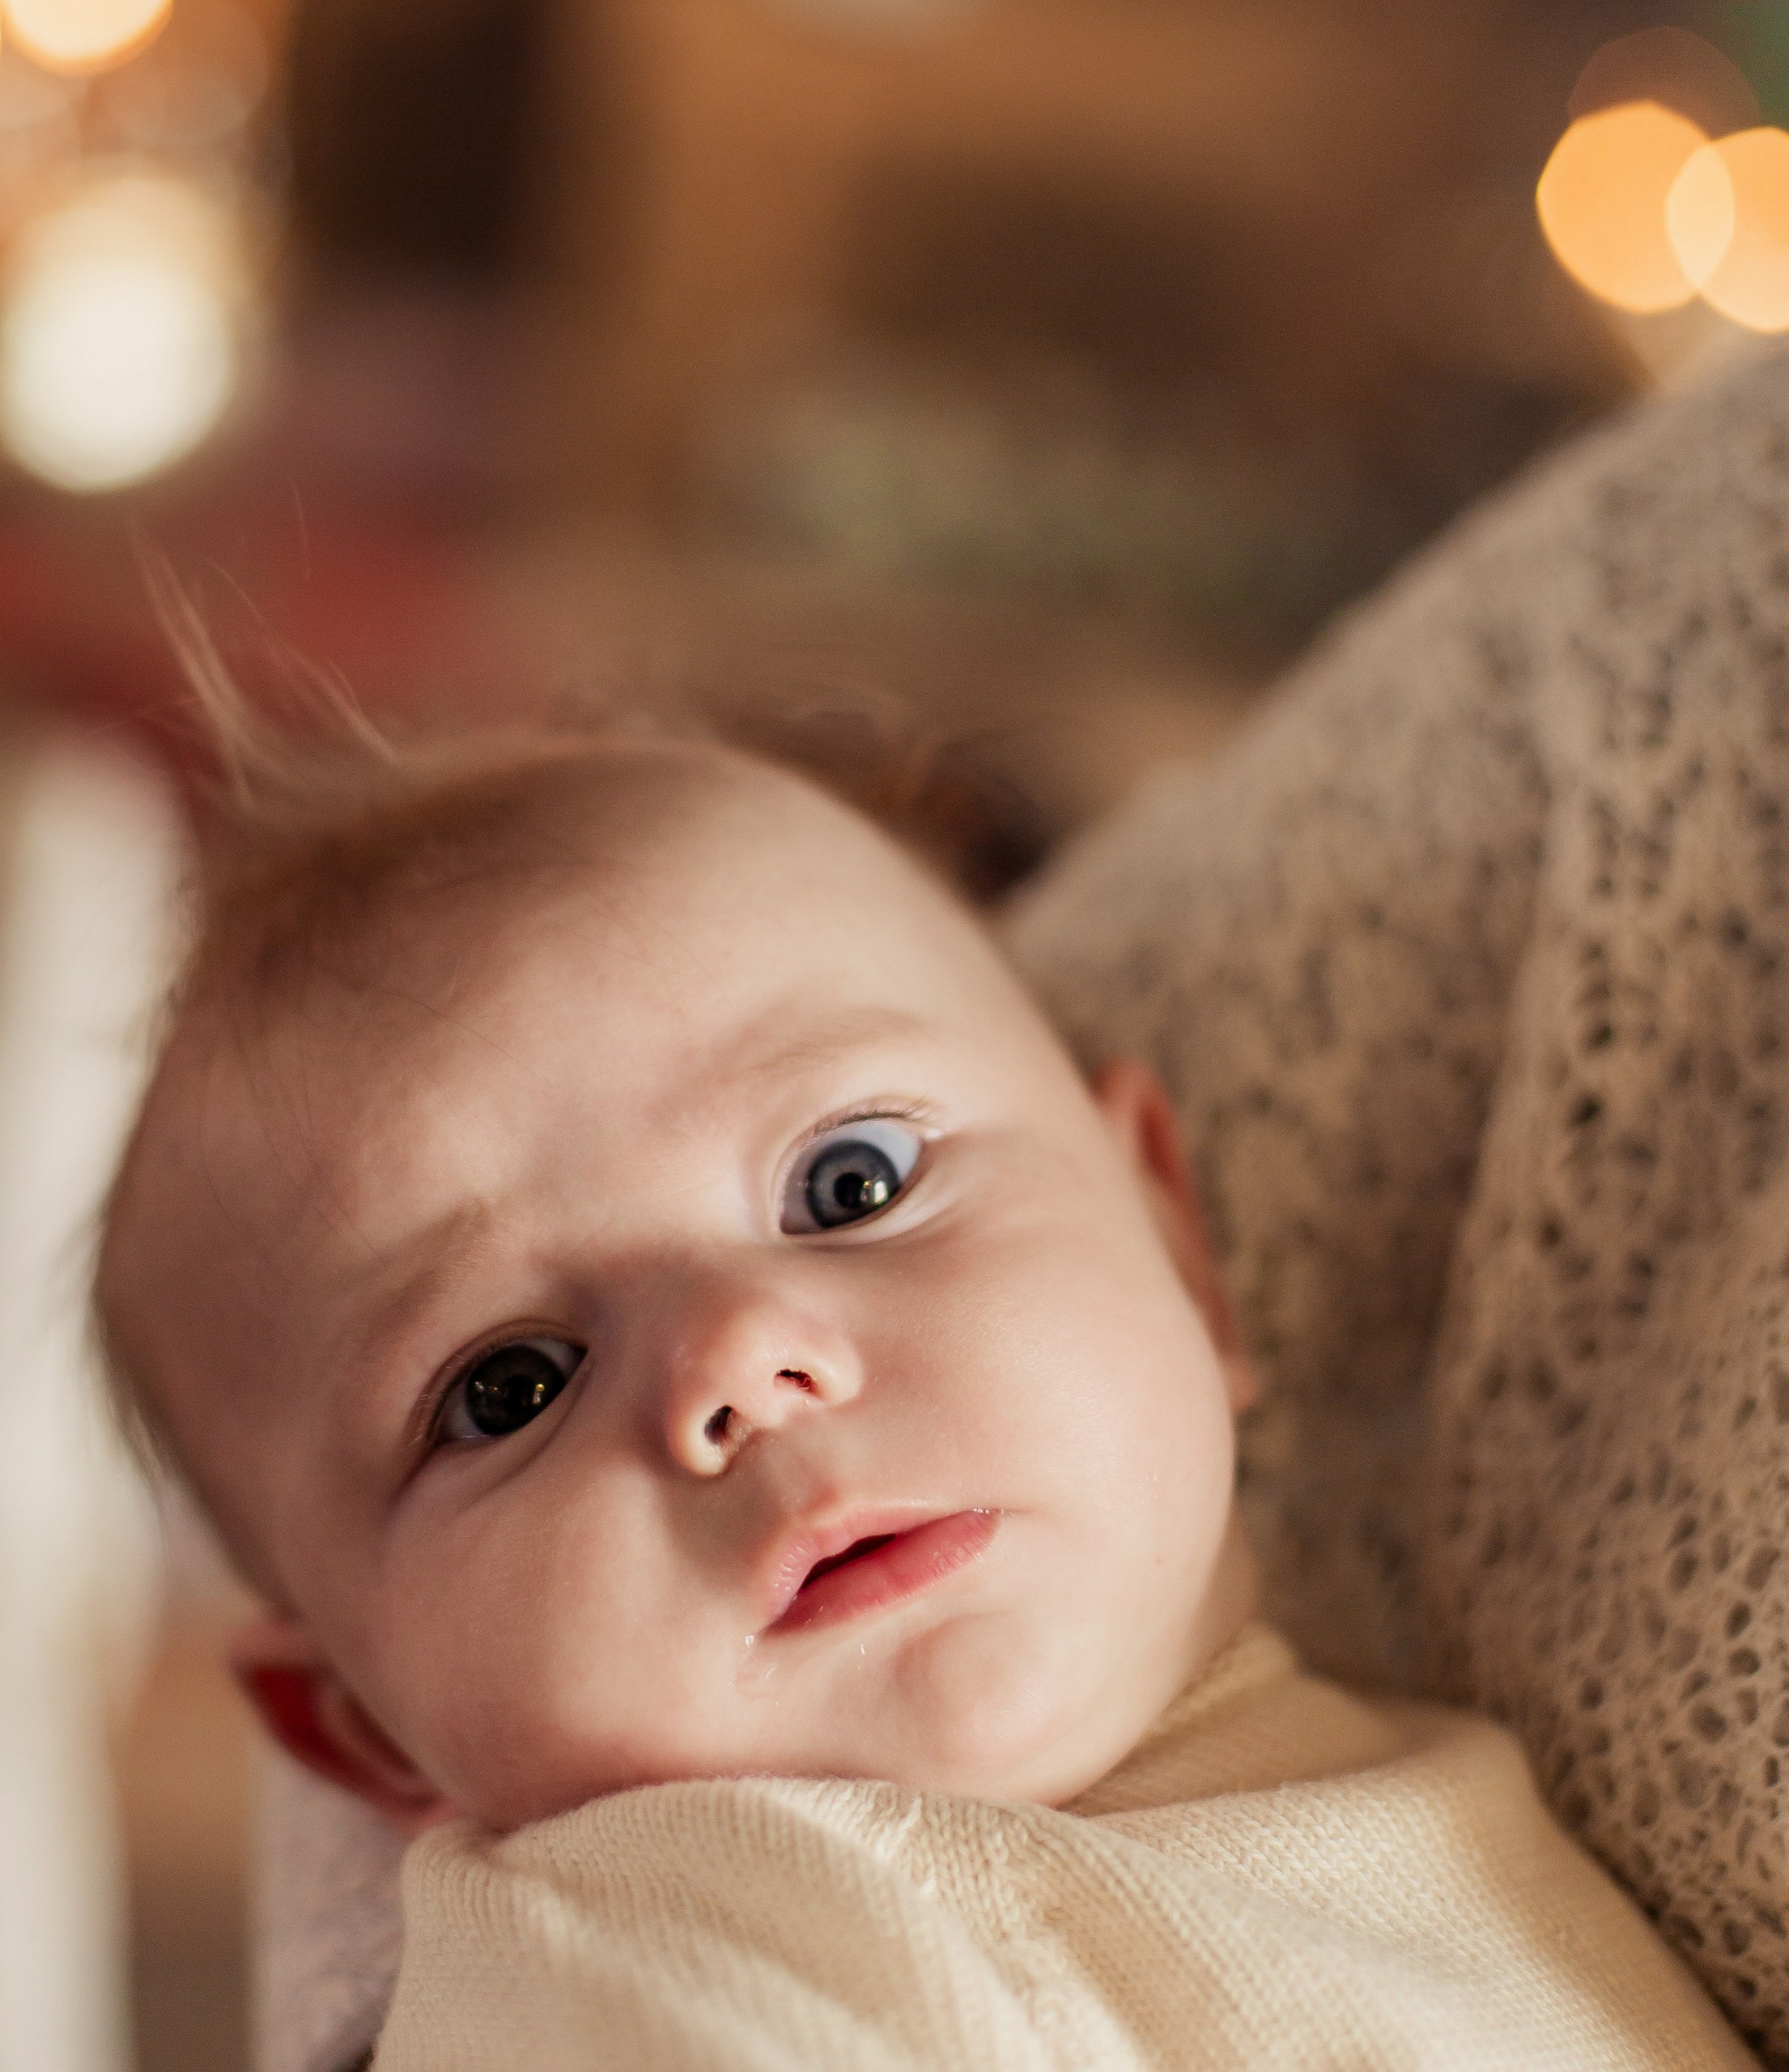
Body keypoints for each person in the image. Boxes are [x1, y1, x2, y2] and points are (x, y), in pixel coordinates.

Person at [96, 730, 1757, 2070]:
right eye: (508, 1381)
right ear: (370, 1730)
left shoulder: (1448, 1780)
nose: (738, 1356)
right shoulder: (657, 1946)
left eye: (849, 1178)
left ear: (1175, 1248)